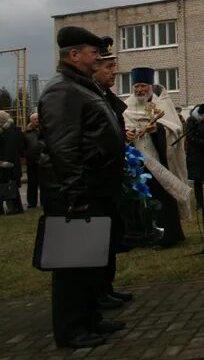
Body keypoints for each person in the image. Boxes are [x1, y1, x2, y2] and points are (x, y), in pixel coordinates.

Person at [37, 27, 126, 348]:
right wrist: (74, 193)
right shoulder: (62, 91)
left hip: (95, 189)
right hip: (76, 193)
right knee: (72, 266)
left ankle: (89, 319)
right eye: (93, 53)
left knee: (90, 262)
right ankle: (71, 329)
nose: (98, 59)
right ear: (74, 55)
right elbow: (64, 148)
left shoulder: (81, 87)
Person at [123, 67, 190, 247]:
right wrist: (126, 134)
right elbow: (123, 126)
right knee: (143, 199)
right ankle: (147, 232)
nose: (139, 90)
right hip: (139, 162)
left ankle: (171, 234)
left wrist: (158, 129)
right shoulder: (128, 106)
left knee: (166, 197)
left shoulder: (162, 105)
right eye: (136, 86)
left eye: (143, 86)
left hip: (161, 161)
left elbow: (175, 129)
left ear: (150, 86)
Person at [92, 37, 134, 311]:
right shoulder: (91, 96)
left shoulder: (106, 97)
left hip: (110, 177)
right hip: (96, 179)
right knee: (97, 241)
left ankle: (106, 286)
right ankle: (97, 291)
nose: (114, 71)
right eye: (109, 67)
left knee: (110, 236)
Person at [186, 103, 204, 210]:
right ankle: (199, 204)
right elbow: (190, 137)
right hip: (196, 154)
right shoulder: (192, 121)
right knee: (198, 180)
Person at [0, 110, 25, 215]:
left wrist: (5, 161)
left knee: (9, 186)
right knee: (8, 186)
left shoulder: (10, 132)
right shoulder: (12, 130)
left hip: (8, 164)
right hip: (9, 163)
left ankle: (14, 208)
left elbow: (11, 148)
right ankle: (14, 207)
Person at [23, 112, 40, 208]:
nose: (37, 121)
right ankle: (31, 202)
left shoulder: (44, 131)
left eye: (38, 119)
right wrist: (26, 155)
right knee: (32, 184)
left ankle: (44, 201)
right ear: (31, 121)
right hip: (31, 162)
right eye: (35, 119)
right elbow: (22, 146)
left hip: (42, 161)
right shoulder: (26, 133)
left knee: (44, 183)